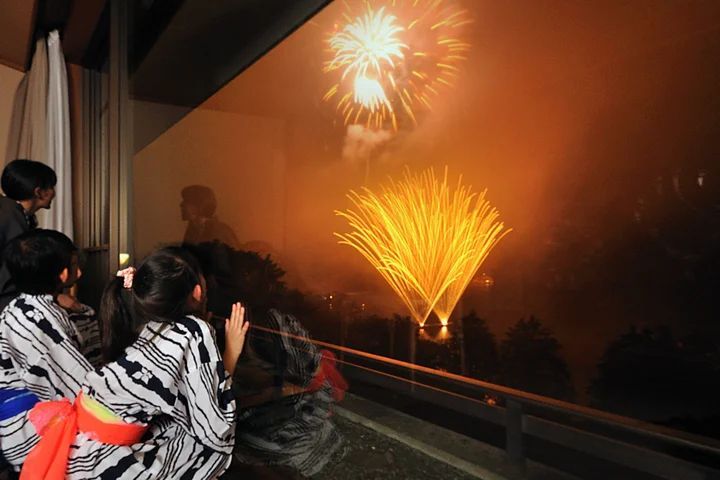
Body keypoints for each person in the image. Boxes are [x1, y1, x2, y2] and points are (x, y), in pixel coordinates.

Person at [20, 247, 249, 479]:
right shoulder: (194, 330)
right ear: (199, 291)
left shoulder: (152, 324)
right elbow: (212, 426)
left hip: (83, 437)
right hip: (102, 454)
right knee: (205, 453)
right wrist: (231, 351)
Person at [0, 230, 92, 473]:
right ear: (62, 275)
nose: (79, 272)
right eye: (74, 265)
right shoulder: (39, 322)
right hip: (24, 432)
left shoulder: (22, 306)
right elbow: (78, 384)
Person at [0, 160, 57, 310]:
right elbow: (15, 270)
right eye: (51, 186)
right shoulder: (10, 215)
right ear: (38, 192)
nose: (54, 193)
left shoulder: (11, 211)